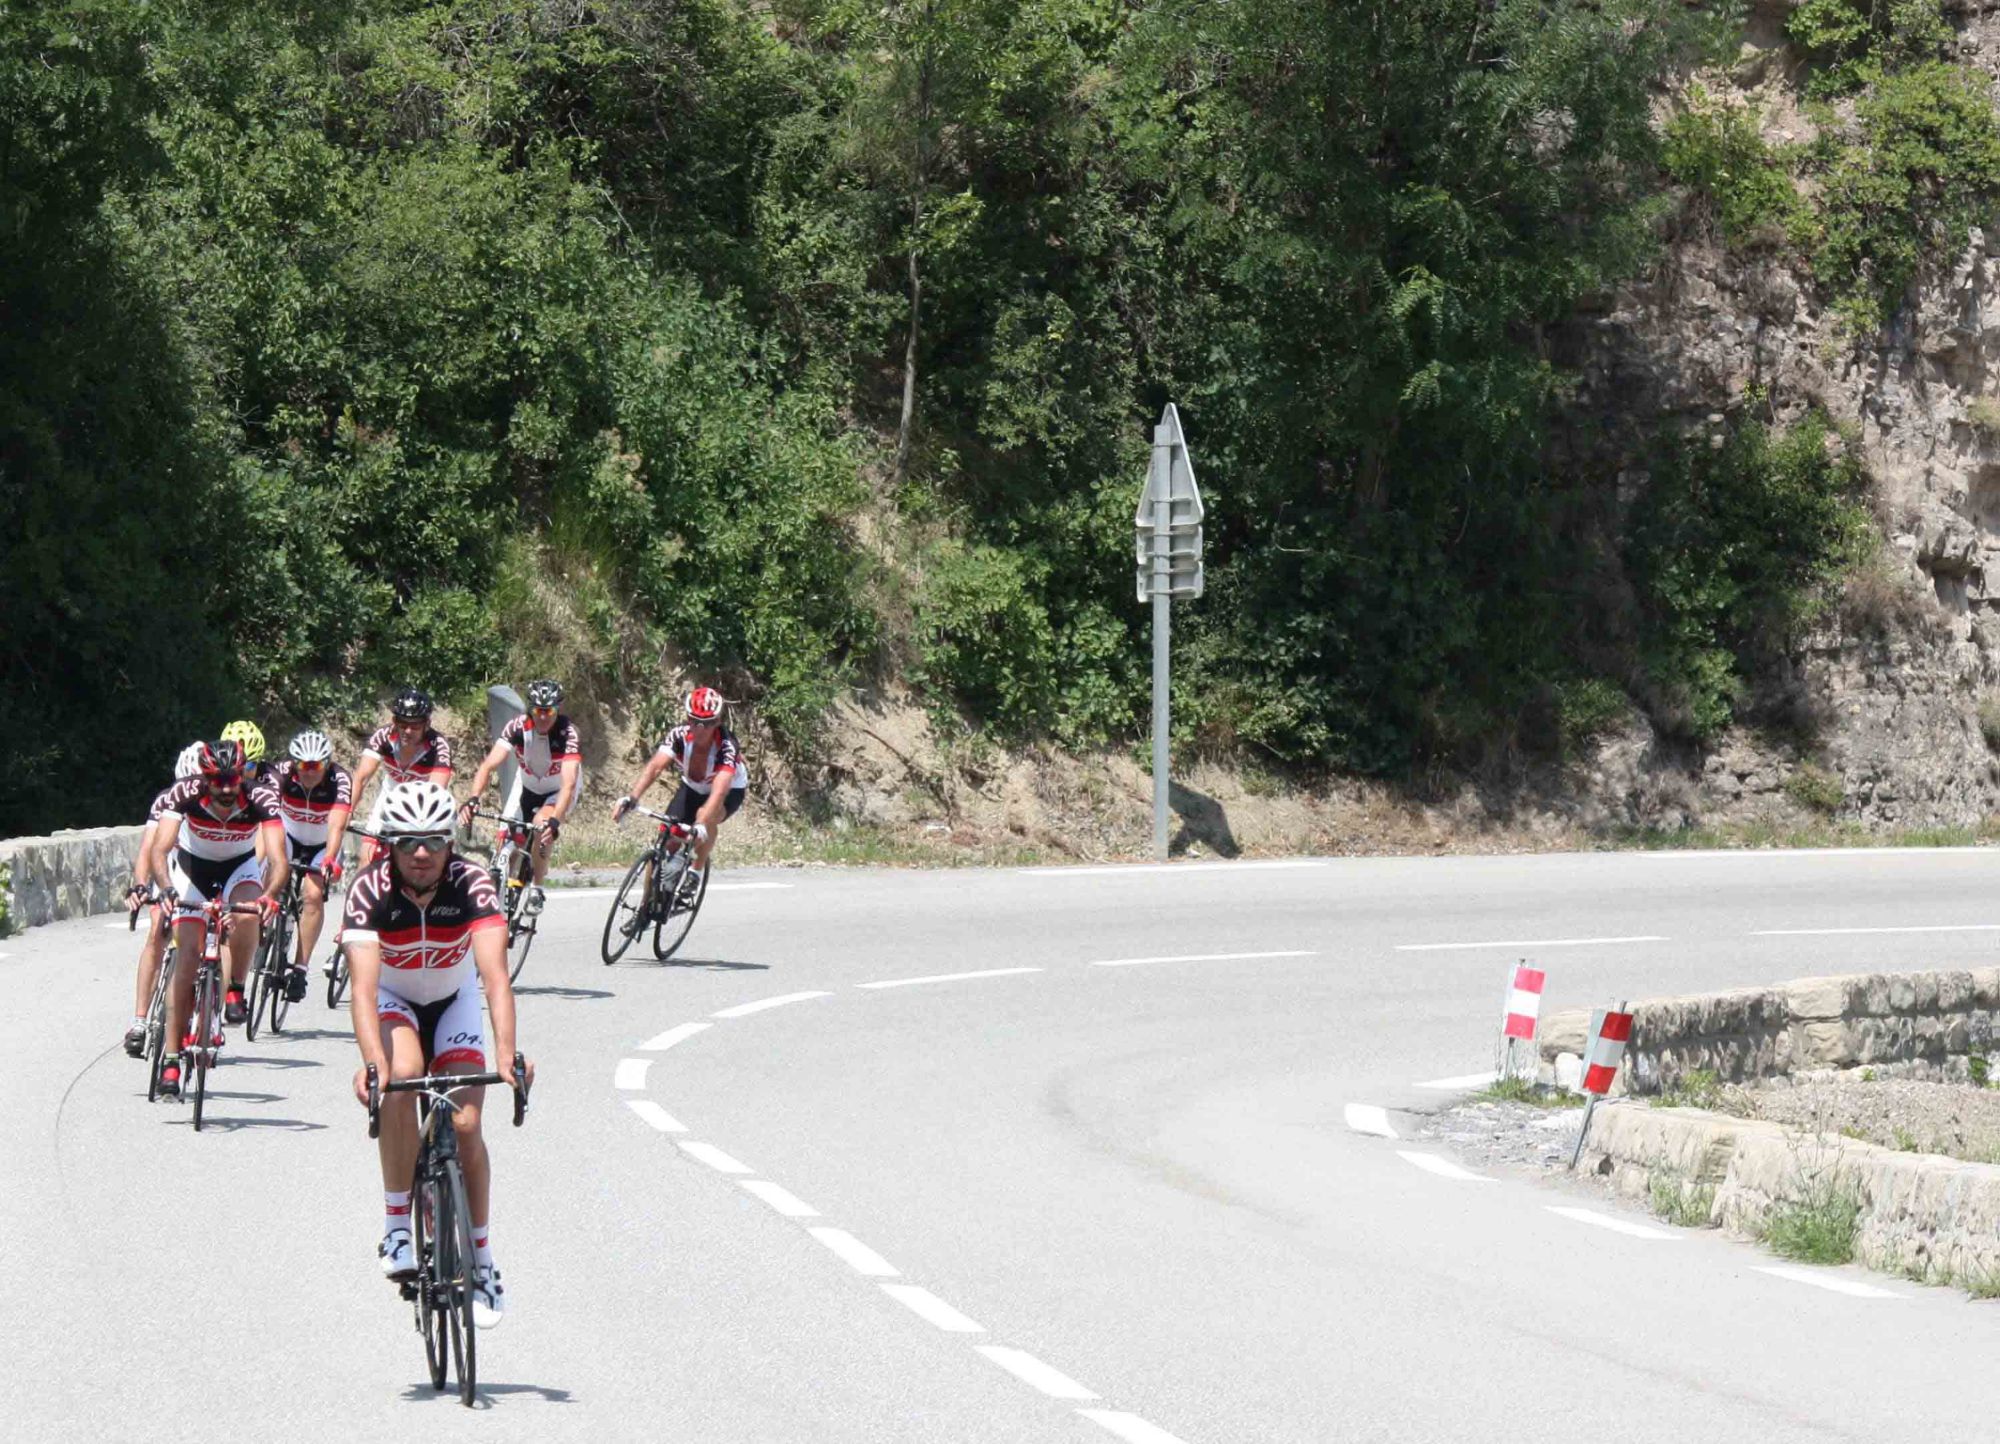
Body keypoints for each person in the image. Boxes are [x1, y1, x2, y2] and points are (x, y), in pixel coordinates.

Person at [344, 780, 530, 1326]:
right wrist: (373, 1065)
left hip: (454, 1000)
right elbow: (362, 990)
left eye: (433, 841)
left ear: (451, 842)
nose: (420, 853)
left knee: (467, 1123)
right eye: (407, 842)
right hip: (394, 999)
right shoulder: (369, 890)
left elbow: (495, 979)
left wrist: (508, 1055)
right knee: (401, 1076)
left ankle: (483, 1262)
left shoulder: (473, 884)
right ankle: (396, 1228)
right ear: (389, 845)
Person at [147, 740, 287, 1094]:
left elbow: (278, 859)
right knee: (187, 958)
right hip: (192, 869)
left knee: (248, 912)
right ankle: (171, 1059)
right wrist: (166, 888)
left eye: (233, 779)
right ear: (204, 777)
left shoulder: (260, 797)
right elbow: (160, 850)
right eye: (217, 780)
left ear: (243, 775)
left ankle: (236, 987)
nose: (226, 789)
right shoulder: (186, 792)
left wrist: (270, 895)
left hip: (239, 867)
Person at [456, 679, 581, 915]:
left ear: (558, 709)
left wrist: (555, 820)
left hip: (556, 791)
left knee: (541, 825)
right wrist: (473, 798)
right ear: (529, 709)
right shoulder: (517, 727)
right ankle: (500, 893)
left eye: (549, 711)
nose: (542, 717)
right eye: (537, 710)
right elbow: (488, 766)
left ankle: (537, 889)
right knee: (506, 839)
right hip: (525, 784)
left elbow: (568, 784)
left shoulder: (568, 733)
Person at [611, 686, 745, 886]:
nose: (701, 729)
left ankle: (695, 871)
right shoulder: (679, 736)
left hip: (729, 791)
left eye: (708, 723)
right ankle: (647, 902)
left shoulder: (727, 746)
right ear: (687, 718)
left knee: (705, 816)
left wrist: (701, 823)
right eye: (695, 721)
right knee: (665, 840)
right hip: (692, 787)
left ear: (718, 721)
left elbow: (720, 790)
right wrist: (632, 798)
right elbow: (655, 767)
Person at [123, 742, 204, 1056]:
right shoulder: (166, 800)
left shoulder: (217, 804)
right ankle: (139, 1020)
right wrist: (140, 885)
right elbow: (148, 848)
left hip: (203, 872)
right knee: (157, 931)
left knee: (209, 939)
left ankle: (203, 1010)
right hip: (169, 871)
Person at [272, 729, 353, 999]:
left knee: (313, 895)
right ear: (293, 762)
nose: (308, 772)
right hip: (289, 835)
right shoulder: (281, 773)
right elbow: (267, 815)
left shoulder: (339, 779)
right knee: (272, 871)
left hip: (322, 844)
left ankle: (300, 968)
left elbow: (337, 825)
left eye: (315, 766)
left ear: (326, 763)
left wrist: (330, 858)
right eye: (302, 765)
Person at [350, 687, 454, 868]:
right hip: (389, 796)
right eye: (402, 724)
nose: (408, 730)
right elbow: (361, 778)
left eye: (415, 726)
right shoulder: (383, 736)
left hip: (422, 804)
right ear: (394, 721)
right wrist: (348, 810)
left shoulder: (438, 746)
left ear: (427, 724)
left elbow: (435, 792)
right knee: (367, 858)